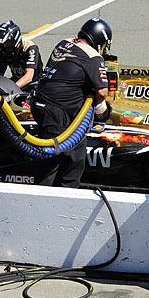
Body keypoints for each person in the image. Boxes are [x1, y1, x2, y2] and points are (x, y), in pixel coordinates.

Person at [31, 18, 113, 188]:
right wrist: (100, 110)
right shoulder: (93, 56)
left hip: (41, 104)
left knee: (76, 154)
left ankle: (62, 193)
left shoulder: (64, 42)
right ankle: (50, 198)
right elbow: (102, 91)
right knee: (53, 160)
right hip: (58, 112)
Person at [0, 20, 43, 89]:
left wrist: (12, 89)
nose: (5, 46)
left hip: (34, 84)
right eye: (3, 43)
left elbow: (29, 77)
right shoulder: (4, 50)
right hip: (17, 82)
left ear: (14, 39)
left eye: (7, 42)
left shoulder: (30, 48)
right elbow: (0, 75)